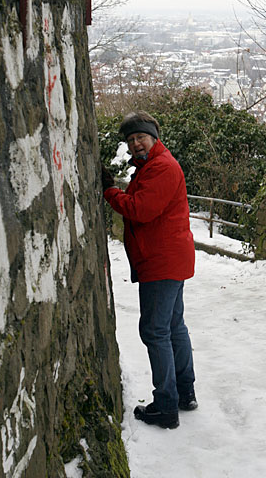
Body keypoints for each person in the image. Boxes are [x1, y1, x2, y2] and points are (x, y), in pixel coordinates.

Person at [102, 111, 197, 429]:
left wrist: (110, 191)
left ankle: (167, 406)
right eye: (130, 140)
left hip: (161, 261)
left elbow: (141, 210)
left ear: (154, 137)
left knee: (156, 331)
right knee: (173, 327)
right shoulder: (155, 165)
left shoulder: (161, 167)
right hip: (169, 258)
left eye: (140, 137)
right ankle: (185, 394)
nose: (135, 144)